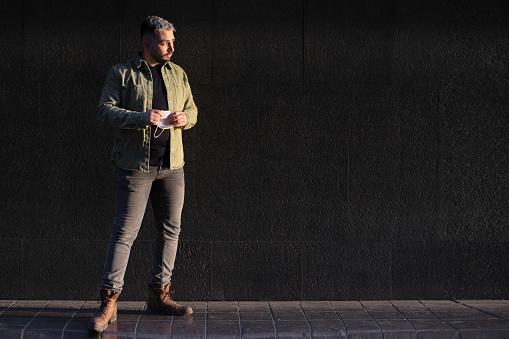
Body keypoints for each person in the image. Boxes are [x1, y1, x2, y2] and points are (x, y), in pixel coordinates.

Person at [88, 15, 198, 332]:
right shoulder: (121, 73)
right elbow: (104, 109)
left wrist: (184, 119)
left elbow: (193, 110)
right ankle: (109, 301)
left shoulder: (178, 74)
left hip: (172, 166)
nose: (171, 48)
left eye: (173, 42)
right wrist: (139, 117)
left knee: (170, 231)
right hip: (135, 167)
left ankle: (159, 294)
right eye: (165, 42)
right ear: (147, 43)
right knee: (124, 233)